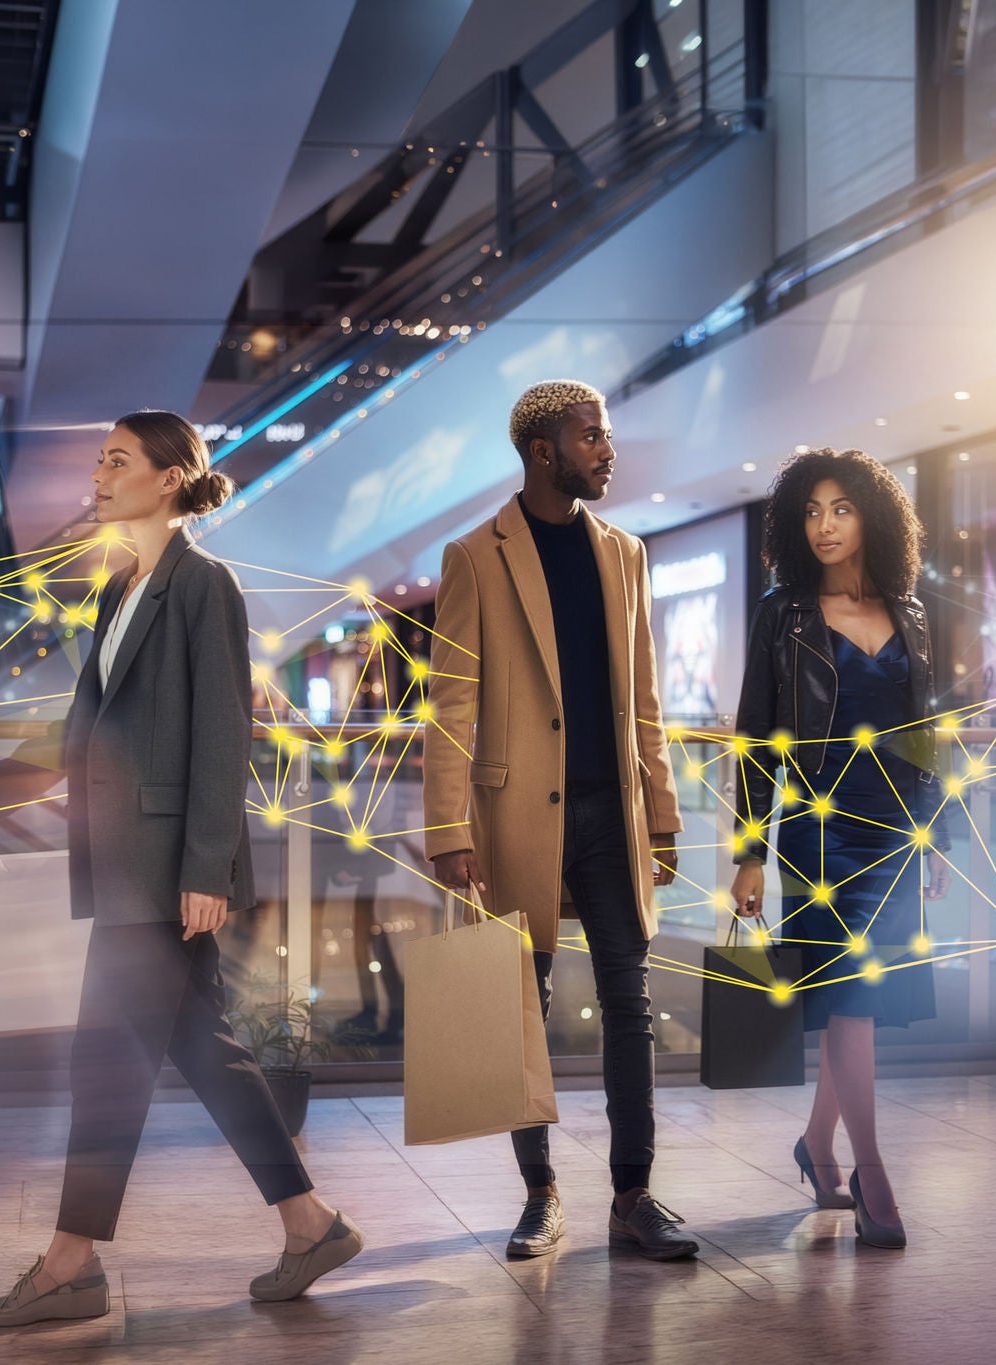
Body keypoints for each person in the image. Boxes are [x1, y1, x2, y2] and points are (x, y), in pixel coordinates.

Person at [0, 410, 364, 1327]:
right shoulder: (121, 587)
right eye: (98, 459)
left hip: (167, 871)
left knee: (106, 1061)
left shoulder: (204, 584)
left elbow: (223, 735)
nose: (98, 475)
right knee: (203, 1049)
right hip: (129, 866)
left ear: (170, 478)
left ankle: (70, 1265)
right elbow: (84, 730)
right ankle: (309, 1222)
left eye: (117, 460)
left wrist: (206, 866)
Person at [422, 379, 695, 1261]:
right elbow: (450, 707)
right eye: (592, 437)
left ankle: (633, 1195)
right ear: (544, 452)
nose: (608, 451)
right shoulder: (475, 556)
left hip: (613, 811)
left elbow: (645, 699)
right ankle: (540, 1195)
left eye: (605, 435)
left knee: (629, 999)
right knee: (520, 1007)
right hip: (514, 814)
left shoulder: (625, 553)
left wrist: (661, 813)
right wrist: (448, 831)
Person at [729, 447, 952, 1251]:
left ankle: (817, 1144)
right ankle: (873, 1172)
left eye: (841, 509)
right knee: (850, 998)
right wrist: (750, 850)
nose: (824, 525)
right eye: (812, 511)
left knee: (854, 1000)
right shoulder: (782, 613)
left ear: (872, 518)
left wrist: (937, 833)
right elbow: (755, 735)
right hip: (819, 831)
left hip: (894, 831)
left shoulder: (912, 612)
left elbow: (926, 733)